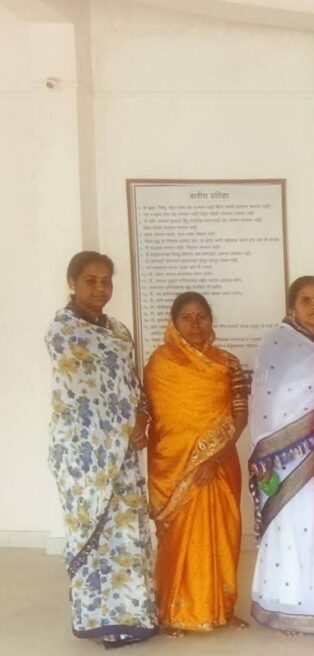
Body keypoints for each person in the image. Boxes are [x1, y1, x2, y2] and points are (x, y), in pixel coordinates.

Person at [45, 251, 158, 647]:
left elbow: (131, 386)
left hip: (121, 452)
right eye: (90, 281)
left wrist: (142, 417)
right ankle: (98, 620)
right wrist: (126, 423)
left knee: (125, 533)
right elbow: (84, 395)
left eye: (106, 280)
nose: (100, 288)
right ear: (72, 282)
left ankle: (134, 616)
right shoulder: (62, 332)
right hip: (82, 452)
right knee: (92, 533)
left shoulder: (120, 331)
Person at [145, 291, 249, 635]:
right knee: (178, 540)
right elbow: (152, 414)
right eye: (187, 317)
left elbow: (240, 415)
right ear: (174, 323)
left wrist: (215, 458)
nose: (195, 324)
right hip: (174, 467)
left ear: (211, 321)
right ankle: (172, 612)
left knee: (223, 537)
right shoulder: (159, 364)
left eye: (202, 316)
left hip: (220, 465)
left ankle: (223, 608)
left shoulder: (228, 363)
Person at [248, 276, 314, 634]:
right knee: (290, 523)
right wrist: (268, 450)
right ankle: (283, 604)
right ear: (292, 306)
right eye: (306, 300)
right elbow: (265, 399)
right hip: (284, 455)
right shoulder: (277, 342)